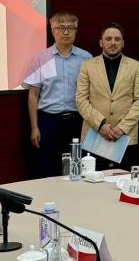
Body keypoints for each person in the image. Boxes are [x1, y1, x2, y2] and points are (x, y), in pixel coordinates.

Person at [24, 11, 92, 177]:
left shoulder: (86, 58)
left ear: (76, 31)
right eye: (61, 28)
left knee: (77, 168)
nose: (66, 32)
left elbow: (93, 94)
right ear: (53, 30)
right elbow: (33, 95)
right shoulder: (41, 59)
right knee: (48, 168)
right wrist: (34, 127)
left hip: (78, 121)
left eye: (70, 28)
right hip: (48, 122)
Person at [76, 22, 139, 170]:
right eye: (108, 39)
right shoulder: (87, 66)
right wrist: (100, 125)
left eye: (117, 39)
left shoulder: (137, 67)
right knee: (92, 180)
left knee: (124, 180)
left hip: (125, 137)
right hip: (94, 135)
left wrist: (122, 128)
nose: (113, 42)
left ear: (123, 43)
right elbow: (81, 100)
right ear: (101, 42)